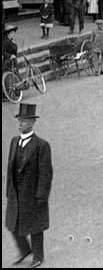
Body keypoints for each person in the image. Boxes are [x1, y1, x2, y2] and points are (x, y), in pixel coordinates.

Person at [5, 103, 52, 269]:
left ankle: (38, 256)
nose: (20, 124)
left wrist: (41, 196)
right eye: (19, 120)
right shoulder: (14, 142)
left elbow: (46, 173)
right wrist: (8, 190)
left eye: (24, 120)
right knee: (12, 222)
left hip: (32, 193)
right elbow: (10, 167)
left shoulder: (41, 145)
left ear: (32, 122)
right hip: (16, 192)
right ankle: (25, 250)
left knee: (35, 225)